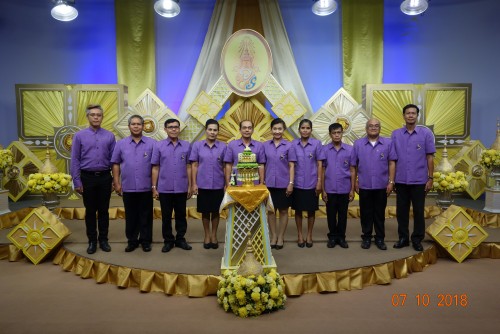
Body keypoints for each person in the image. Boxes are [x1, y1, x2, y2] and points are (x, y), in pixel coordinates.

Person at [71, 104, 115, 254]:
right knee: (90, 211)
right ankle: (92, 241)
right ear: (88, 117)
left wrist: (115, 180)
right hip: (87, 178)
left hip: (104, 177)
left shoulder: (110, 136)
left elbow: (114, 160)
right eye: (93, 115)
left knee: (104, 211)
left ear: (102, 117)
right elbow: (75, 159)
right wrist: (77, 181)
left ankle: (104, 240)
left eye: (99, 115)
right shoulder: (79, 136)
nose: (96, 117)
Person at [391, 104, 436, 252]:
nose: (410, 115)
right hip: (401, 180)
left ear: (417, 116)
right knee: (401, 211)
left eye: (413, 113)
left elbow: (430, 157)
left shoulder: (426, 134)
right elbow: (392, 159)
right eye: (408, 113)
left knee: (418, 211)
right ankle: (403, 238)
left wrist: (430, 178)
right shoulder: (395, 134)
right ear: (403, 116)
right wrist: (391, 180)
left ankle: (417, 239)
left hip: (419, 180)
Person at [111, 115, 156, 253]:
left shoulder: (152, 143)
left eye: (139, 124)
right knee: (130, 215)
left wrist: (155, 186)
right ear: (129, 126)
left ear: (143, 126)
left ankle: (145, 241)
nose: (136, 126)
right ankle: (132, 241)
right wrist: (116, 182)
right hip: (128, 186)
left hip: (146, 186)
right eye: (133, 124)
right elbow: (116, 164)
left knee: (146, 215)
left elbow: (156, 166)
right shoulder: (121, 144)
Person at [352, 119, 396, 250]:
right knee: (365, 214)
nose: (373, 128)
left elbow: (392, 163)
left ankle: (380, 238)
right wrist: (354, 182)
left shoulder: (388, 143)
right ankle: (366, 238)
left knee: (379, 214)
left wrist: (391, 182)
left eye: (376, 126)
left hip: (382, 185)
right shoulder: (358, 144)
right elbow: (353, 165)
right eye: (370, 126)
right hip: (364, 185)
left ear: (380, 129)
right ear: (366, 129)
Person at [151, 118, 193, 253]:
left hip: (181, 187)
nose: (173, 129)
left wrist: (190, 185)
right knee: (166, 216)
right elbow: (155, 167)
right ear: (165, 129)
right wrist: (154, 187)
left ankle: (180, 239)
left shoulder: (186, 145)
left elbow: (189, 167)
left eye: (176, 127)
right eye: (170, 127)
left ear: (179, 129)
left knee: (181, 215)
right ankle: (168, 241)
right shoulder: (158, 146)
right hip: (164, 188)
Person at [190, 119, 226, 250]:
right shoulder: (197, 146)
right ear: (206, 130)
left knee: (216, 212)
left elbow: (225, 166)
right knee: (205, 212)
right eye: (210, 129)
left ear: (218, 131)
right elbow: (194, 165)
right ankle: (207, 235)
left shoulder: (223, 146)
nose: (212, 132)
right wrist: (194, 184)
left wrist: (226, 184)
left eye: (215, 130)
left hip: (218, 184)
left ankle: (214, 236)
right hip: (203, 184)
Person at [288, 119, 324, 248]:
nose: (305, 130)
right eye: (302, 128)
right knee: (298, 211)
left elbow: (320, 164)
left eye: (307, 128)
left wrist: (319, 182)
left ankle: (309, 235)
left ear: (311, 130)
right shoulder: (293, 144)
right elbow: (291, 164)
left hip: (312, 182)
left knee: (311, 211)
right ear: (299, 130)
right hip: (297, 183)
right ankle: (299, 235)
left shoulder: (317, 144)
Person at [321, 123, 355, 249]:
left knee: (342, 214)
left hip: (344, 188)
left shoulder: (350, 150)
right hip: (329, 188)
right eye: (334, 133)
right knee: (330, 214)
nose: (336, 135)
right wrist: (323, 190)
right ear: (330, 134)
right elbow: (323, 170)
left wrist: (352, 189)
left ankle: (341, 237)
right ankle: (332, 237)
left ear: (342, 133)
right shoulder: (324, 150)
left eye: (339, 132)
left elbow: (352, 170)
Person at [263, 118, 294, 250]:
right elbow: (262, 165)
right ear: (271, 130)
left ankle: (281, 236)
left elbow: (292, 165)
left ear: (283, 130)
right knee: (270, 211)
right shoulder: (265, 145)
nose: (277, 131)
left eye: (280, 129)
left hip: (284, 184)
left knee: (283, 211)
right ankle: (273, 236)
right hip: (269, 183)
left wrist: (291, 183)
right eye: (275, 129)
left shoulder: (289, 146)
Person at [224, 120, 265, 186]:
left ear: (253, 130)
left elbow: (261, 165)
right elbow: (228, 165)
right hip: (236, 183)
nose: (247, 130)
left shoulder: (259, 145)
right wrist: (227, 183)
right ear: (240, 130)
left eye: (249, 128)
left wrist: (261, 183)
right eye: (244, 128)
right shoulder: (232, 145)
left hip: (254, 183)